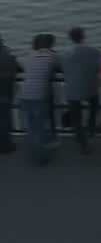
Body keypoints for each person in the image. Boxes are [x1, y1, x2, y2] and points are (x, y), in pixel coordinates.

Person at [17, 33, 59, 164]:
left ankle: (33, 153)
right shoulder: (52, 56)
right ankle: (40, 158)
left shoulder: (29, 56)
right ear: (50, 44)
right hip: (39, 95)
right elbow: (59, 66)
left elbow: (23, 66)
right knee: (39, 126)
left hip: (24, 94)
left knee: (30, 127)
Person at [62, 26, 101, 155]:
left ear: (70, 38)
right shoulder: (93, 51)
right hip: (90, 88)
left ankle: (83, 144)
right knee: (94, 105)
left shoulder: (65, 53)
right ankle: (91, 129)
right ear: (83, 36)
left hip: (72, 89)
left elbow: (59, 67)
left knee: (76, 119)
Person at [0, 35, 19, 154]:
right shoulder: (8, 56)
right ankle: (5, 145)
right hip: (5, 93)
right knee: (5, 121)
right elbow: (18, 69)